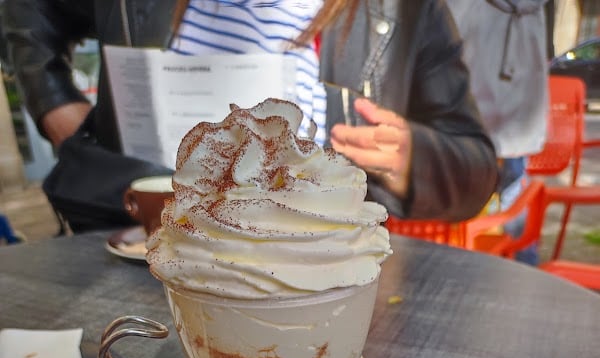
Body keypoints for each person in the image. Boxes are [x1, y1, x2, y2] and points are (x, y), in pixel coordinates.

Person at [1, 0, 498, 233]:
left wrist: (411, 158)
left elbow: (476, 169)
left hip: (308, 286)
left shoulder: (405, 11)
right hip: (136, 254)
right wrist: (54, 103)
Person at [446, 0, 552, 262]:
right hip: (505, 111)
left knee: (501, 195)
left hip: (469, 114)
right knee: (511, 196)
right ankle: (519, 267)